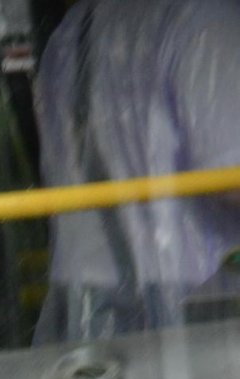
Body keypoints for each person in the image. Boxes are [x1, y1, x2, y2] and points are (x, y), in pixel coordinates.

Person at [34, 0, 240, 343]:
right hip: (190, 312)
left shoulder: (71, 29)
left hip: (80, 306)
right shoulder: (203, 18)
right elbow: (230, 172)